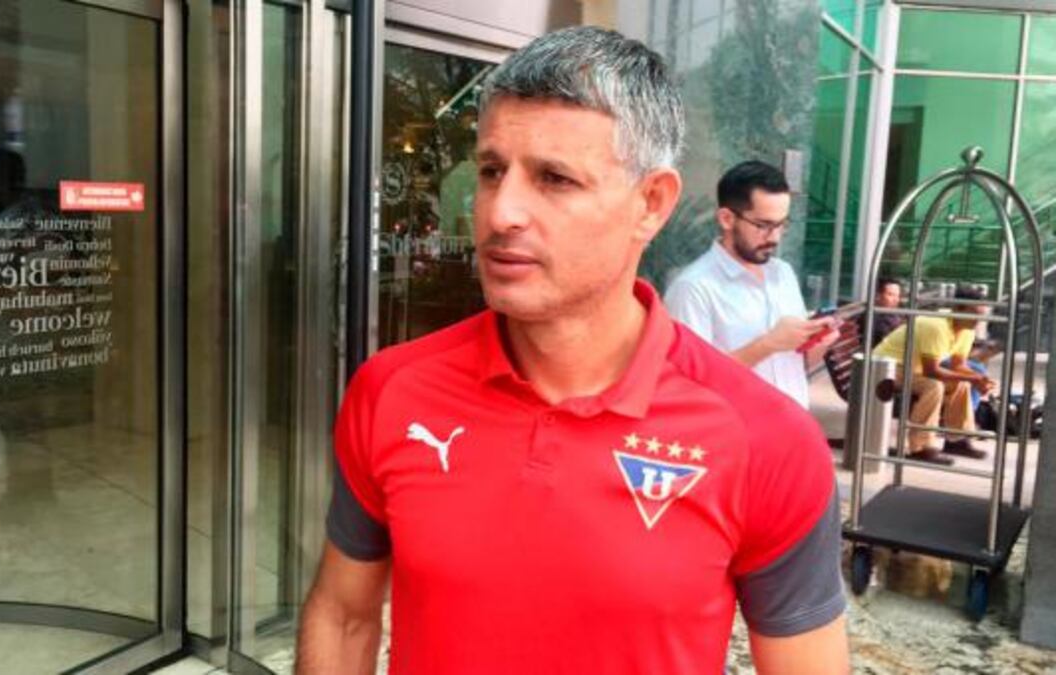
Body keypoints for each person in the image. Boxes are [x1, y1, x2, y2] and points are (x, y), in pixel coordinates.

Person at [296, 26, 848, 675]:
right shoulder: (393, 391)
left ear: (651, 203)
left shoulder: (767, 441)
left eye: (554, 178)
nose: (500, 212)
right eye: (492, 171)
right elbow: (344, 614)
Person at [664, 161, 837, 409]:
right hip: (735, 428)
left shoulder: (783, 273)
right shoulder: (693, 288)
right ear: (726, 219)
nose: (775, 237)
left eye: (781, 225)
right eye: (763, 226)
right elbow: (690, 382)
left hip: (793, 422)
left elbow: (794, 367)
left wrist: (819, 343)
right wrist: (768, 344)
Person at [873, 285, 996, 464]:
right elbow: (932, 371)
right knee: (933, 386)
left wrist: (980, 380)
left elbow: (958, 365)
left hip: (910, 369)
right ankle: (920, 447)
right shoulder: (937, 326)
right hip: (885, 367)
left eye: (982, 315)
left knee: (962, 384)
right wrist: (974, 378)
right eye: (975, 314)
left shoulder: (967, 330)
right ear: (958, 309)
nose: (978, 320)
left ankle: (957, 440)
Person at [869, 276, 904, 346]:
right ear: (878, 296)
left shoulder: (891, 313)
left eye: (898, 296)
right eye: (891, 295)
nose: (896, 300)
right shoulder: (875, 318)